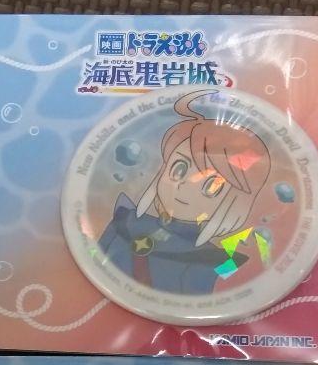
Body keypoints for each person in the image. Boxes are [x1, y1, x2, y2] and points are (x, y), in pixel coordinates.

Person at [98, 91, 272, 295]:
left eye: (212, 186)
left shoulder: (217, 261)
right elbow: (94, 261)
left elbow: (202, 304)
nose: (185, 185)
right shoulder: (125, 220)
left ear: (235, 202)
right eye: (179, 168)